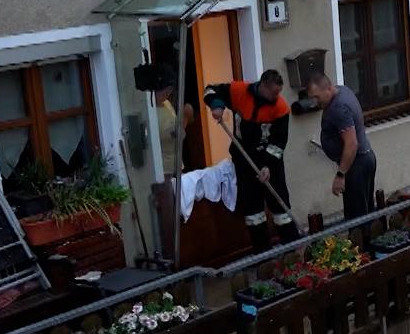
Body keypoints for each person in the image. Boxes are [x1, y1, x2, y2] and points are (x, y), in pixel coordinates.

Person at [204, 71, 299, 252]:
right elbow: (210, 90)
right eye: (273, 93)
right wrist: (217, 106)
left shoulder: (281, 108)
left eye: (278, 93)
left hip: (271, 162)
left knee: (280, 207)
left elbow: (279, 142)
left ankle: (291, 250)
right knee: (253, 210)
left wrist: (267, 166)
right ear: (262, 86)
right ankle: (262, 254)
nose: (276, 97)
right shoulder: (239, 91)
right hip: (244, 160)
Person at [306, 72, 378, 221]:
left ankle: (362, 243)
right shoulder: (342, 90)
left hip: (357, 164)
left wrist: (340, 175)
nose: (315, 102)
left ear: (328, 89)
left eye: (317, 97)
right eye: (312, 98)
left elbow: (352, 144)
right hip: (364, 159)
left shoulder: (338, 108)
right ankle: (367, 239)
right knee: (366, 214)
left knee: (357, 219)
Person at [151, 66, 193, 178]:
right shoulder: (149, 110)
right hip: (163, 171)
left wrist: (184, 120)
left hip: (176, 166)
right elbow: (168, 134)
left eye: (170, 90)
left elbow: (178, 132)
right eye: (166, 90)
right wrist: (184, 118)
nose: (168, 93)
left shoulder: (166, 104)